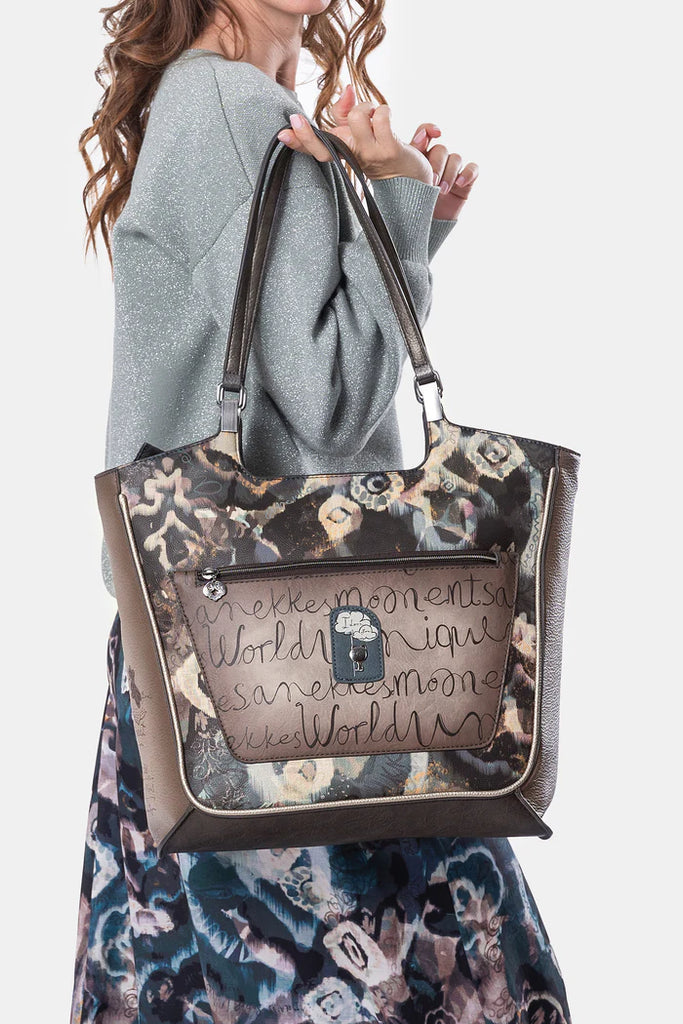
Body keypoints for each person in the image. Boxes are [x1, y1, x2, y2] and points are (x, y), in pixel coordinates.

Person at [71, 2, 572, 1021]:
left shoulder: (214, 100)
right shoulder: (234, 109)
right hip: (291, 672)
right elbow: (334, 402)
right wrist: (393, 205)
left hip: (208, 661)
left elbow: (286, 364)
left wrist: (406, 225)